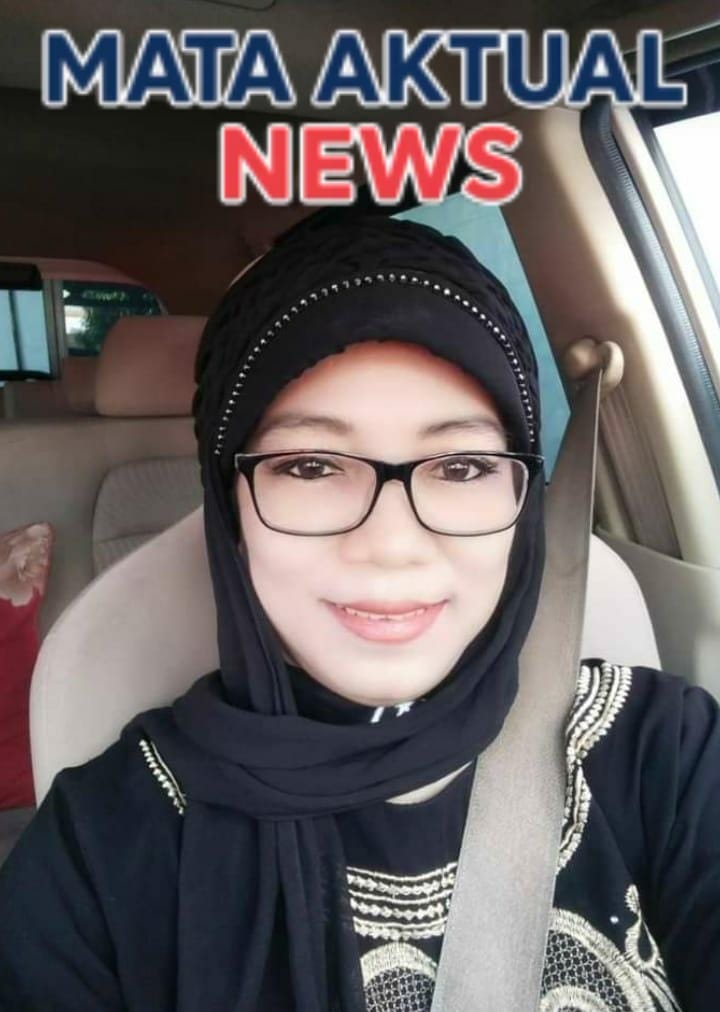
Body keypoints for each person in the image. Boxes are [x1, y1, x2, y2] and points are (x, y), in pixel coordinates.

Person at [0, 214, 718, 1012]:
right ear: (230, 512)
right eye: (310, 466)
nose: (391, 546)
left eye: (463, 466)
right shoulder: (99, 849)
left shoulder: (668, 753)